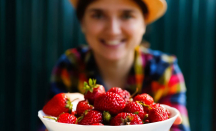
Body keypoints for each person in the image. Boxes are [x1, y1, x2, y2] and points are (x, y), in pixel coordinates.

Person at [43, 0, 190, 130]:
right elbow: (47, 123)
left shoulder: (165, 70)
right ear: (82, 23)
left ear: (143, 23)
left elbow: (178, 128)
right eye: (98, 15)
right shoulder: (69, 65)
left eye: (127, 16)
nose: (113, 31)